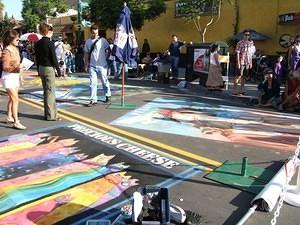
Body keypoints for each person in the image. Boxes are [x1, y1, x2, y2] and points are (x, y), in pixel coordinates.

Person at [35, 23, 62, 121]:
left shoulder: (37, 43)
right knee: (50, 92)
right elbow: (54, 59)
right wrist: (59, 71)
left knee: (46, 91)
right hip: (48, 68)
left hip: (41, 68)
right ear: (49, 31)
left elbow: (37, 58)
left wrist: (38, 70)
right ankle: (51, 115)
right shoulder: (50, 43)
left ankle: (48, 114)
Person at [1, 30, 26, 130]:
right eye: (16, 39)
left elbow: (18, 64)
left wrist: (20, 75)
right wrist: (17, 69)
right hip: (8, 77)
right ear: (10, 39)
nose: (18, 40)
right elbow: (5, 67)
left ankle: (9, 116)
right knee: (15, 99)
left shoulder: (15, 49)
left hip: (15, 76)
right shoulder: (6, 51)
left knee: (12, 98)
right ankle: (16, 122)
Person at [84, 24, 111, 106]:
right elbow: (86, 54)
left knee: (105, 82)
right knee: (93, 83)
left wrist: (107, 58)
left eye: (96, 33)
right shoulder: (88, 42)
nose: (94, 34)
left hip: (102, 66)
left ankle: (108, 95)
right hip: (92, 66)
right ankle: (93, 100)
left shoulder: (103, 40)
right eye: (93, 33)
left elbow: (109, 50)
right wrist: (86, 64)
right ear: (90, 32)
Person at [233, 29, 256, 95]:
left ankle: (242, 90)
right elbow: (237, 53)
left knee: (244, 76)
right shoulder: (240, 43)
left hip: (247, 62)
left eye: (248, 35)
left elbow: (251, 54)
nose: (247, 36)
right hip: (241, 61)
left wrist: (251, 63)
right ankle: (235, 90)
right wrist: (238, 62)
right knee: (238, 75)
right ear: (243, 35)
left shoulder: (250, 43)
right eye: (246, 35)